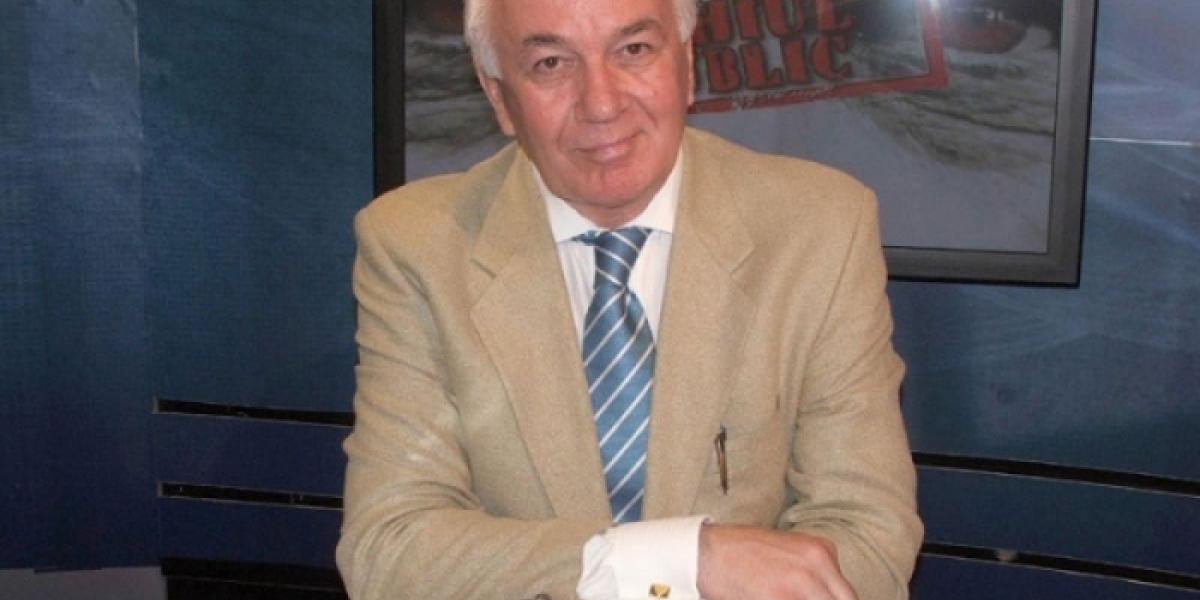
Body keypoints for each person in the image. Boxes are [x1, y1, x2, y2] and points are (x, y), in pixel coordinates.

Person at [336, 0, 923, 598]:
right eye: (551, 63)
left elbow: (867, 535)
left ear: (686, 65)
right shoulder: (415, 247)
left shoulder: (820, 226)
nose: (601, 103)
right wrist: (678, 561)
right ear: (499, 97)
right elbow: (390, 550)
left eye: (634, 50)